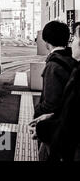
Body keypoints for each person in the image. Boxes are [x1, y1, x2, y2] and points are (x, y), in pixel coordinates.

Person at [32, 22, 80, 161]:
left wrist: (38, 111)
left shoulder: (53, 66)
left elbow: (50, 104)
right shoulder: (71, 60)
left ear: (47, 42)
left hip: (55, 131)